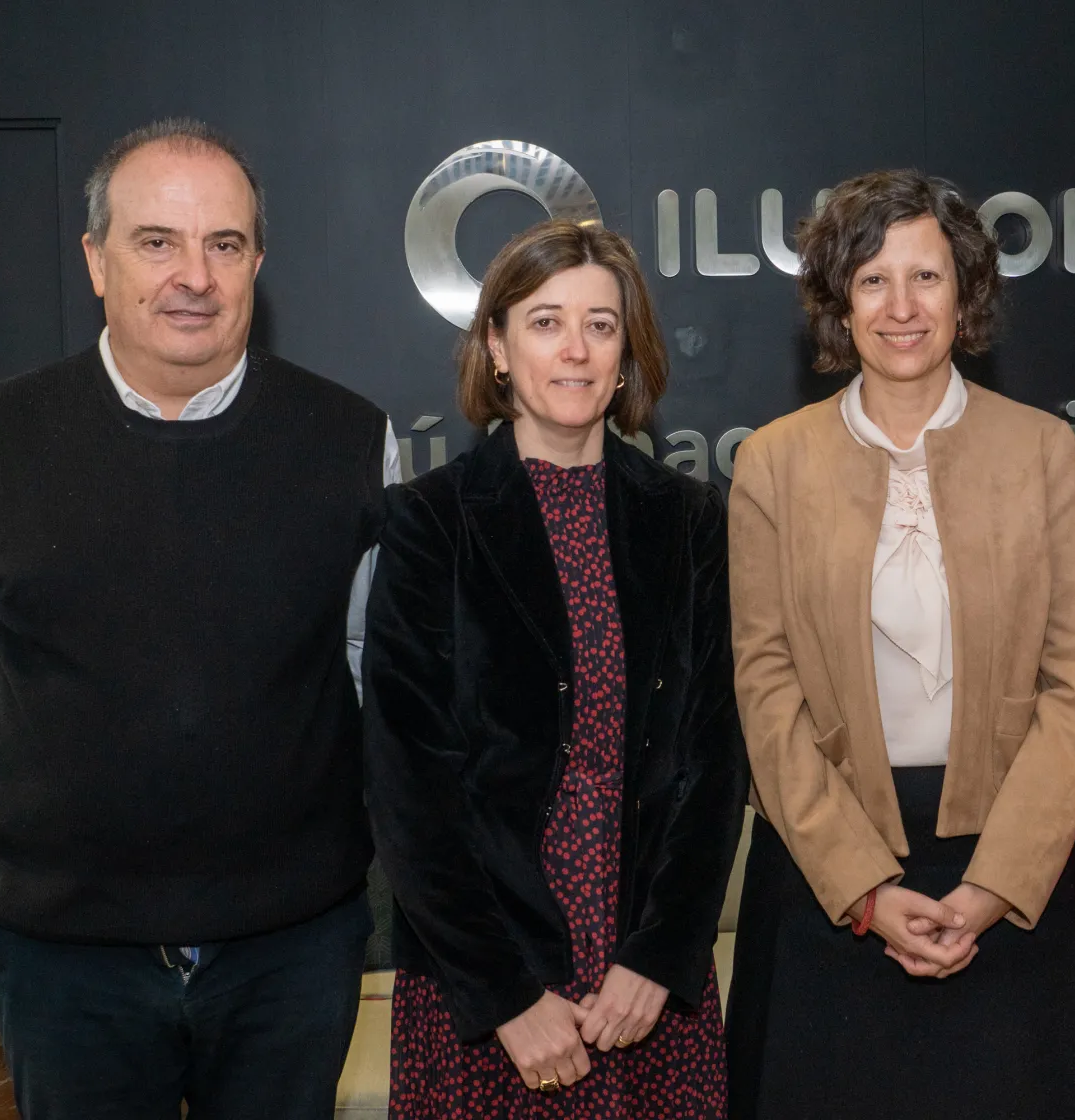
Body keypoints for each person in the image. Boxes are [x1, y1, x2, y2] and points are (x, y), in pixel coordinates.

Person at [0, 118, 401, 1118]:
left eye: (224, 244)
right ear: (95, 260)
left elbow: (362, 651)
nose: (195, 276)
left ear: (258, 261)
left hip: (290, 948)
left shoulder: (350, 436)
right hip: (64, 958)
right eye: (156, 242)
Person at [725, 169, 1075, 1119]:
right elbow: (764, 684)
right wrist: (863, 886)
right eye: (872, 279)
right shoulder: (773, 462)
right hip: (831, 876)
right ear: (838, 302)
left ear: (966, 294)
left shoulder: (1040, 450)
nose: (901, 307)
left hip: (1014, 874)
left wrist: (998, 882)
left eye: (927, 278)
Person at [364, 218, 747, 1118]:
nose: (575, 349)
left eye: (601, 325)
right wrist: (505, 995)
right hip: (485, 985)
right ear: (496, 347)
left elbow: (714, 758)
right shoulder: (430, 522)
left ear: (628, 353)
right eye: (544, 322)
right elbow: (407, 782)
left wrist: (660, 958)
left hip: (646, 985)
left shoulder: (688, 518)